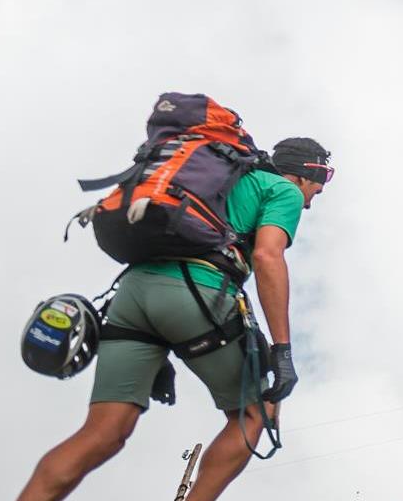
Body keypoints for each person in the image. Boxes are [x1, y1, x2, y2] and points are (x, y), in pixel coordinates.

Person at [18, 137, 335, 501]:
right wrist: (282, 349)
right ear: (306, 173)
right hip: (198, 290)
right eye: (319, 185)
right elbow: (267, 256)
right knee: (256, 411)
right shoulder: (283, 190)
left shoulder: (223, 180)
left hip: (133, 294)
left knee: (103, 433)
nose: (312, 200)